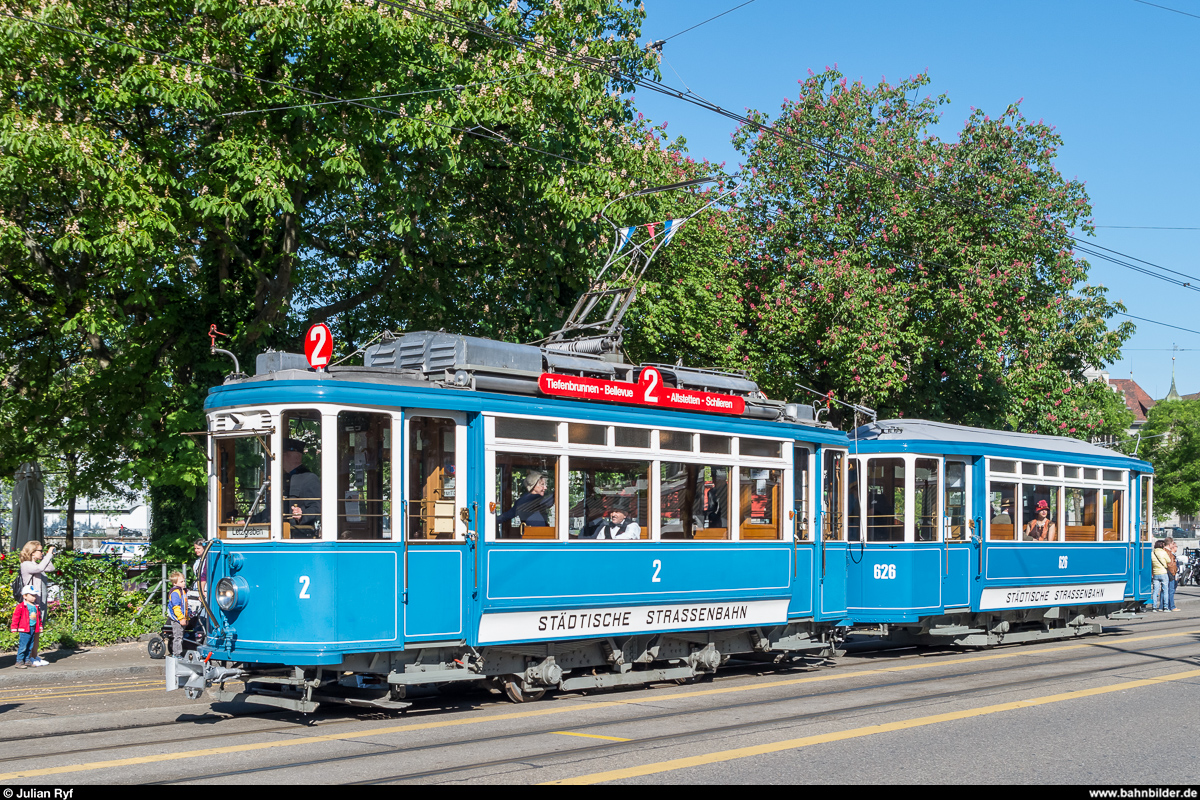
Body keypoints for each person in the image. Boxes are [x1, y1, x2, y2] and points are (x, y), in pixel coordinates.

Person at [19, 541, 54, 667]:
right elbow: (39, 569)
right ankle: (28, 657)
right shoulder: (26, 565)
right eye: (40, 550)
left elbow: (50, 568)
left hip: (40, 603)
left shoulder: (38, 564)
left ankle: (34, 656)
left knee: (38, 631)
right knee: (31, 631)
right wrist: (49, 554)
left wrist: (46, 557)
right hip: (31, 605)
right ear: (32, 552)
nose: (42, 552)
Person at [282, 438, 321, 537]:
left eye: (285, 454)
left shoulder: (309, 478)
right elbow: (272, 511)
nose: (282, 457)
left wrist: (302, 514)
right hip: (279, 533)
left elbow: (317, 508)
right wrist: (250, 520)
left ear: (297, 457)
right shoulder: (281, 479)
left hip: (299, 536)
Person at [10, 585, 42, 669]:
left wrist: (40, 627)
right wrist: (14, 627)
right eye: (31, 595)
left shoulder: (36, 606)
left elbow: (39, 618)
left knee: (30, 645)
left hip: (32, 628)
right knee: (23, 646)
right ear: (24, 596)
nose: (34, 597)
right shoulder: (21, 606)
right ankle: (19, 661)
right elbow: (16, 617)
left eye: (35, 595)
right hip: (24, 629)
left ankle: (27, 660)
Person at [167, 571, 189, 657]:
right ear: (175, 583)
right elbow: (176, 607)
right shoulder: (176, 593)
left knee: (180, 636)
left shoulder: (183, 591)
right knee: (178, 637)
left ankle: (178, 652)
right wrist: (181, 618)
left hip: (182, 618)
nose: (184, 583)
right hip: (177, 619)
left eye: (184, 581)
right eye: (181, 581)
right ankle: (176, 654)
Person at [1151, 540, 1170, 612]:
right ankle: (1165, 607)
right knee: (1165, 591)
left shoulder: (1152, 553)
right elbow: (1168, 560)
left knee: (1155, 591)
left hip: (1156, 574)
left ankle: (1154, 607)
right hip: (1163, 573)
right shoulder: (1163, 552)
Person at [1166, 538, 1180, 612]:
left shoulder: (1170, 553)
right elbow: (1171, 565)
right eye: (1176, 546)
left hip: (1171, 574)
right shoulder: (1170, 554)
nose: (1177, 547)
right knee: (1171, 591)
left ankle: (1165, 606)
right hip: (1171, 574)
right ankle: (1171, 606)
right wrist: (1174, 574)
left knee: (1166, 591)